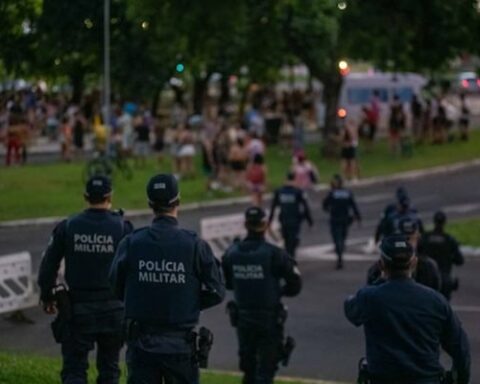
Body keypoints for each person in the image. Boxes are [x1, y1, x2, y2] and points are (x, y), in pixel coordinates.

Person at [109, 174, 225, 384]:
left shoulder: (131, 243)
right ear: (178, 201)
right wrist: (189, 301)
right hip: (179, 346)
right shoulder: (195, 245)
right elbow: (217, 291)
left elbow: (114, 283)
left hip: (141, 343)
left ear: (150, 204)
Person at [37, 176, 134, 384]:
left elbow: (48, 266)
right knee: (109, 370)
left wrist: (47, 296)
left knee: (74, 371)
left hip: (77, 310)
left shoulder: (69, 226)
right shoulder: (122, 228)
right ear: (110, 197)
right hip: (114, 310)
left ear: (85, 197)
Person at [345, 235, 470, 384]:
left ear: (381, 265)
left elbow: (350, 308)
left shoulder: (370, 297)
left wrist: (378, 281)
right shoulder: (436, 301)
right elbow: (461, 348)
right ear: (414, 263)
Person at [222, 206, 302, 384]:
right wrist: (277, 291)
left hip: (243, 319)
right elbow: (295, 284)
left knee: (248, 370)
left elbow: (225, 282)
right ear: (265, 225)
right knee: (266, 371)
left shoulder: (232, 253)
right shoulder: (275, 254)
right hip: (269, 319)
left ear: (245, 225)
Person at [368, 216, 441, 292]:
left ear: (418, 237)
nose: (406, 243)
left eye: (409, 238)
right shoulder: (377, 270)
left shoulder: (428, 268)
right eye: (403, 239)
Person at [418, 211, 465, 300]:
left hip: (427, 280)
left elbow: (417, 254)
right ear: (444, 222)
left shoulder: (425, 238)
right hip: (444, 280)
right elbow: (460, 261)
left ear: (434, 221)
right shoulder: (449, 240)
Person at [268, 172, 313, 258]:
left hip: (284, 220)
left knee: (287, 240)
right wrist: (310, 221)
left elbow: (273, 207)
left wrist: (269, 221)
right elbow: (305, 207)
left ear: (285, 179)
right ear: (294, 179)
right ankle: (291, 257)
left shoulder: (279, 192)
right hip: (295, 220)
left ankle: (289, 257)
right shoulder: (298, 192)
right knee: (292, 240)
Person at [322, 174, 361, 270]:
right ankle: (341, 249)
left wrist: (329, 209)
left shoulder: (332, 193)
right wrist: (358, 217)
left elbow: (325, 205)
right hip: (345, 219)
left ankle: (339, 255)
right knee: (343, 237)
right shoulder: (348, 193)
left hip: (335, 219)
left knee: (336, 238)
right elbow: (353, 205)